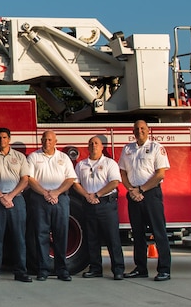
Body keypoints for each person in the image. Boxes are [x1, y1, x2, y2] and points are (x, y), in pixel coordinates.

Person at [118, 120, 171, 281]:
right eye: (136, 129)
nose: (139, 131)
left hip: (151, 194)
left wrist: (142, 190)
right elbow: (123, 173)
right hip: (134, 194)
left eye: (142, 128)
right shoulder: (128, 149)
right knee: (137, 234)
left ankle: (164, 269)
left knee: (158, 232)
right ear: (132, 132)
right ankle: (141, 268)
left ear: (148, 130)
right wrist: (131, 190)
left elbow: (160, 174)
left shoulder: (156, 148)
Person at [0, 127, 33, 283]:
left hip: (16, 200)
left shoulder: (20, 157)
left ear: (9, 139)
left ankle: (21, 272)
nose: (2, 140)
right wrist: (1, 196)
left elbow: (25, 179)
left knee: (19, 237)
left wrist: (10, 196)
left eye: (4, 137)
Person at [27, 130, 77, 281]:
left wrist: (56, 192)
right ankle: (43, 270)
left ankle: (62, 270)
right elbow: (30, 179)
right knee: (41, 234)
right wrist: (45, 193)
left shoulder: (64, 158)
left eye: (50, 140)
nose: (46, 142)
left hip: (60, 199)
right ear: (41, 140)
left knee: (61, 234)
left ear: (56, 141)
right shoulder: (34, 157)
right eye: (44, 140)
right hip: (40, 199)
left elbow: (70, 179)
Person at [73, 135, 125, 280]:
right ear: (88, 147)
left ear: (102, 147)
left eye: (96, 143)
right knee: (92, 238)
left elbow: (115, 182)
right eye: (91, 143)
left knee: (112, 238)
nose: (94, 145)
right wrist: (87, 195)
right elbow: (75, 183)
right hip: (88, 204)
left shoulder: (110, 163)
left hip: (106, 204)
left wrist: (97, 194)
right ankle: (95, 268)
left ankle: (118, 269)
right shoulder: (81, 165)